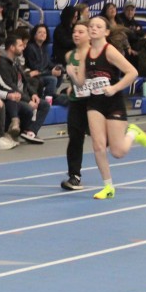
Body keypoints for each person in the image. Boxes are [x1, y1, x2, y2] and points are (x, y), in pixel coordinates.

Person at [69, 15, 146, 200]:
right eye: (91, 26)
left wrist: (114, 88)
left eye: (98, 26)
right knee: (98, 145)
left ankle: (133, 132)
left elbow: (132, 72)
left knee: (118, 152)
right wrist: (73, 74)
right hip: (94, 103)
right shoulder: (85, 54)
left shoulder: (110, 51)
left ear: (106, 32)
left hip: (113, 102)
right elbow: (81, 83)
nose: (93, 29)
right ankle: (108, 186)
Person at [0, 33, 50, 144]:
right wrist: (28, 100)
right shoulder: (2, 63)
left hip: (23, 94)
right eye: (20, 45)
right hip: (11, 96)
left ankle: (30, 131)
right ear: (12, 47)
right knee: (28, 108)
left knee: (44, 105)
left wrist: (33, 94)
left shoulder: (15, 61)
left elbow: (25, 81)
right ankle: (17, 131)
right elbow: (10, 86)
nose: (23, 47)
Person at [61, 20, 91, 190]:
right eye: (74, 32)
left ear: (89, 35)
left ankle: (127, 134)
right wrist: (71, 86)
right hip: (76, 102)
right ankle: (74, 175)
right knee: (75, 138)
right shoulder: (69, 56)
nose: (76, 34)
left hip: (94, 101)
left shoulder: (95, 54)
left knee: (104, 140)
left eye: (80, 32)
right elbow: (74, 78)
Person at [24, 24, 62, 98]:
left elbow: (48, 63)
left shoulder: (44, 47)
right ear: (34, 35)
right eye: (40, 32)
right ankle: (47, 98)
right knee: (53, 79)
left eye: (44, 33)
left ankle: (52, 94)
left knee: (60, 72)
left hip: (44, 72)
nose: (43, 34)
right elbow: (35, 68)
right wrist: (50, 72)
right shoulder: (30, 48)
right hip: (35, 75)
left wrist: (57, 67)